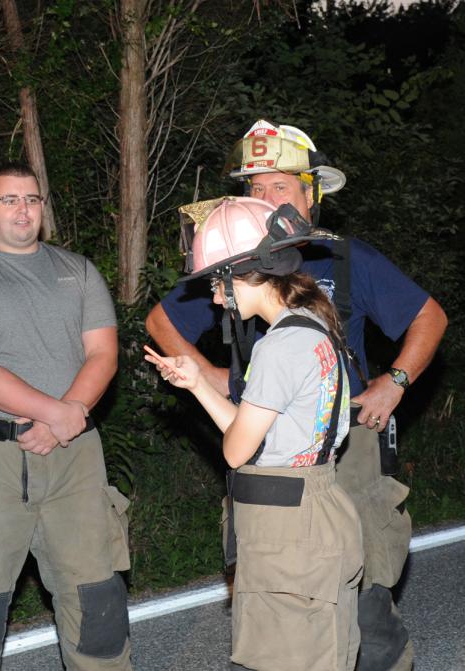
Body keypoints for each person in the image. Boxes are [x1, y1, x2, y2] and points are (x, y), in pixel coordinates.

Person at [146, 120, 447, 670]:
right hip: (262, 449)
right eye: (254, 189)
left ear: (312, 194)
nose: (264, 199)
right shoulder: (235, 260)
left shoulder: (345, 260)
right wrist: (213, 376)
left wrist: (395, 381)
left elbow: (429, 315)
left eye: (279, 187)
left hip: (344, 447)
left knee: (366, 601)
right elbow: (162, 320)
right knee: (273, 601)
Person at [0, 163, 132, 671]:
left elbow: (103, 354)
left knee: (97, 599)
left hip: (75, 456)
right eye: (10, 200)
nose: (23, 209)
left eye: (32, 199)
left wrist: (70, 417)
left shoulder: (77, 271)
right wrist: (57, 413)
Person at [146, 196, 363, 671]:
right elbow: (259, 438)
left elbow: (236, 449)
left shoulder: (279, 346)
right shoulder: (315, 326)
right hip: (314, 510)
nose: (215, 299)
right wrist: (198, 383)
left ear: (242, 274)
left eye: (216, 285)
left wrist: (216, 406)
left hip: (287, 529)